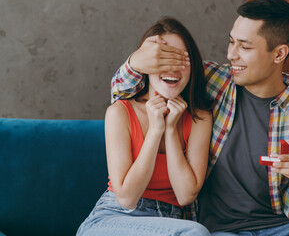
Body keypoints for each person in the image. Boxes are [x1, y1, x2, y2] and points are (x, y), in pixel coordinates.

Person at [109, 0, 289, 235]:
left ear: (279, 54)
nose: (231, 54)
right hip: (220, 229)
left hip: (286, 227)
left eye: (245, 46)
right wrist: (134, 63)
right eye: (232, 41)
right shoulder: (209, 80)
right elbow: (123, 93)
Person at [76, 17, 213, 236]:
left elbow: (185, 195)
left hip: (170, 223)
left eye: (180, 59)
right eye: (163, 59)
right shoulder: (120, 112)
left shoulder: (199, 118)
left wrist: (170, 130)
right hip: (113, 219)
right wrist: (155, 129)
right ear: (146, 65)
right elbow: (127, 198)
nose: (172, 68)